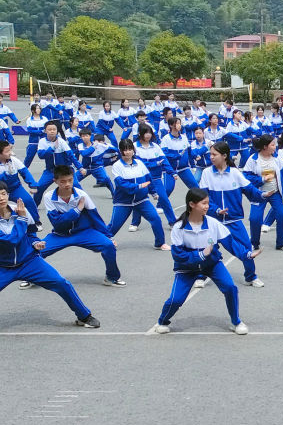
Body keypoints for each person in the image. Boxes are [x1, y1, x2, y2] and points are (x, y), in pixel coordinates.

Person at [0, 180, 99, 333]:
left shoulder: (20, 209)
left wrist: (35, 243)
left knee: (62, 283)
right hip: (2, 267)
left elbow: (30, 233)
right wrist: (21, 219)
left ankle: (84, 316)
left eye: (4, 194)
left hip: (30, 262)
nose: (2, 198)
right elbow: (11, 241)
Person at [149, 188, 253, 335]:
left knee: (230, 287)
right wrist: (200, 255)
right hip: (186, 268)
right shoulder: (179, 227)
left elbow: (230, 243)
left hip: (212, 264)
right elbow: (178, 255)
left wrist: (247, 254)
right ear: (192, 204)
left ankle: (235, 321)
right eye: (204, 203)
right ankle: (162, 321)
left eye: (208, 203)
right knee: (176, 299)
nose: (207, 206)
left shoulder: (213, 223)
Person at [35, 164, 124, 287]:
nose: (67, 184)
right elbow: (57, 222)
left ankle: (111, 277)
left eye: (70, 180)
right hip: (60, 234)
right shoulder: (49, 197)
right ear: (55, 181)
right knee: (35, 252)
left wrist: (109, 237)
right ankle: (31, 277)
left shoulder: (82, 195)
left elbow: (95, 217)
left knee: (108, 246)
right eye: (63, 181)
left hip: (84, 232)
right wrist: (77, 210)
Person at [199, 141, 268, 288]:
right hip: (213, 221)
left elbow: (250, 190)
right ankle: (201, 276)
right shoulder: (206, 173)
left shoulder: (235, 173)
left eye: (214, 154)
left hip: (233, 220)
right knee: (207, 248)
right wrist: (216, 210)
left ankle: (251, 277)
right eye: (210, 154)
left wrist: (263, 195)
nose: (211, 157)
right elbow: (203, 199)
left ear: (224, 156)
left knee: (246, 247)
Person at [108, 139, 169, 250]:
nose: (128, 152)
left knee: (155, 218)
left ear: (133, 150)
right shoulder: (117, 166)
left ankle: (160, 243)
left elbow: (148, 179)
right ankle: (105, 240)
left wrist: (153, 192)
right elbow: (121, 184)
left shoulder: (140, 163)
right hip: (123, 202)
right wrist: (138, 187)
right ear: (120, 151)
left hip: (141, 200)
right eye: (125, 150)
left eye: (130, 149)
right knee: (114, 225)